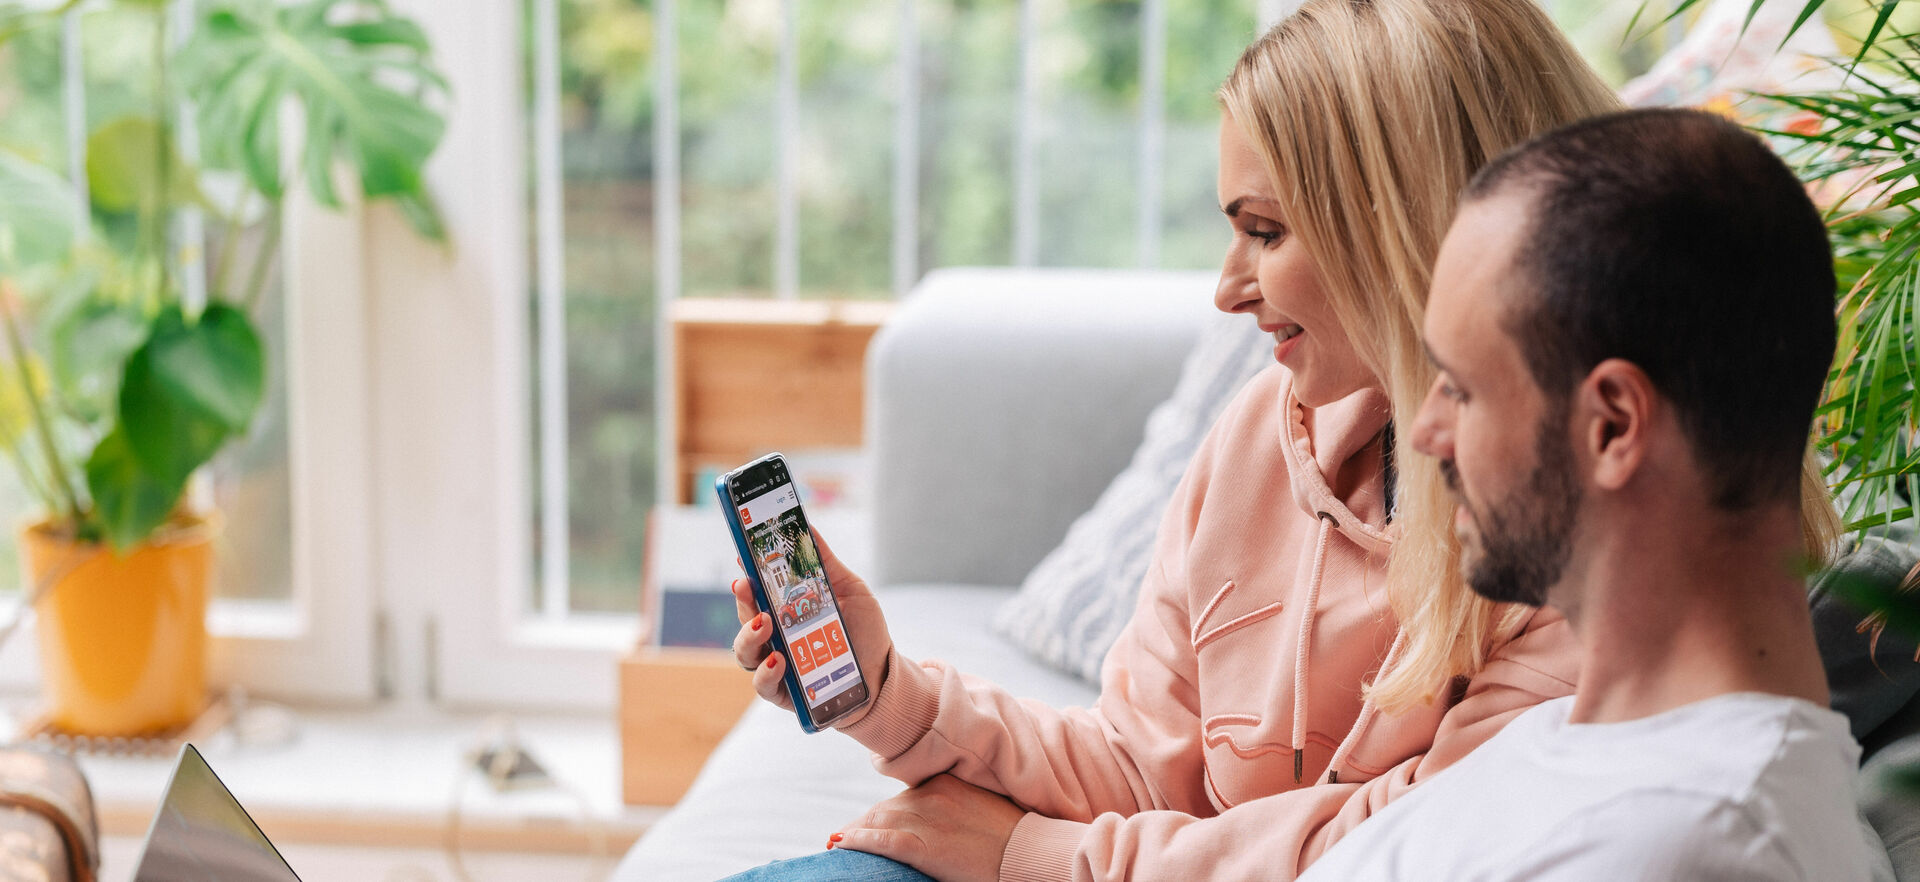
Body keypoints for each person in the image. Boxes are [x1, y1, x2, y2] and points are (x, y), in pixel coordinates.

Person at [722, 4, 1836, 880]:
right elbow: (1144, 761)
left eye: (1265, 229)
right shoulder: (1275, 435)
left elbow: (1388, 845)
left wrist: (1035, 858)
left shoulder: (1586, 562)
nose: (1225, 289)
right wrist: (884, 694)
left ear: (1401, 226)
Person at [1297, 107, 1877, 880]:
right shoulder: (1580, 756)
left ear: (1612, 425)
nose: (1428, 431)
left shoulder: (1694, 840)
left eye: (1462, 389)